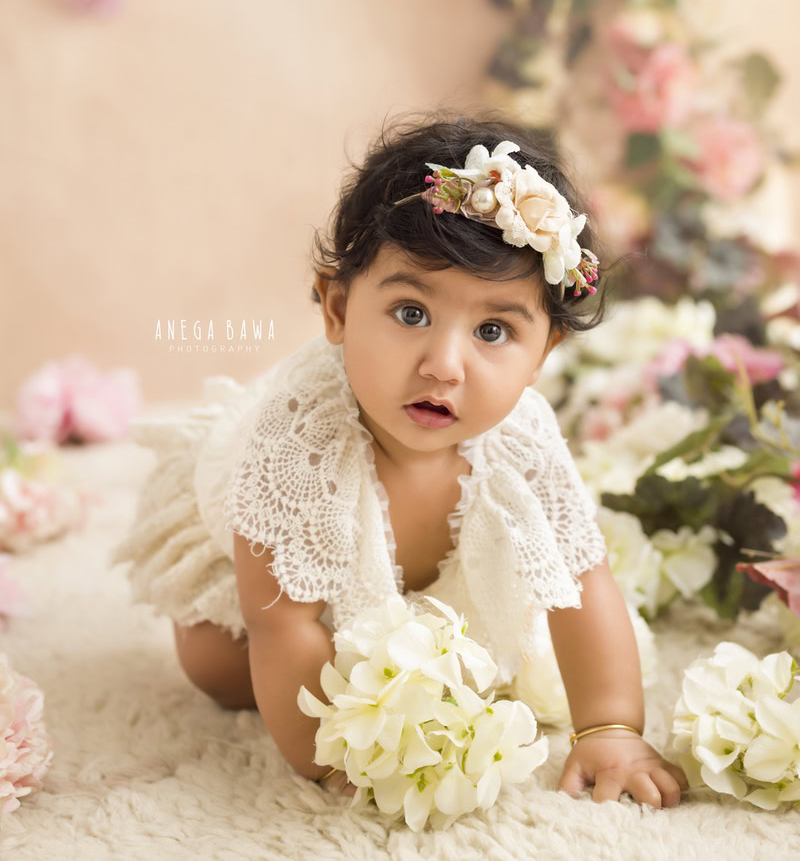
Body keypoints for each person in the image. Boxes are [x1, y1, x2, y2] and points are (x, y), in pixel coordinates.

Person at [110, 110, 688, 810]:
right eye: (411, 312)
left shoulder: (521, 436)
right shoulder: (298, 434)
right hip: (274, 580)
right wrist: (340, 756)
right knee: (221, 669)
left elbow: (583, 579)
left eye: (494, 329)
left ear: (545, 354)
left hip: (426, 575)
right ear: (338, 308)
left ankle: (411, 614)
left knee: (507, 661)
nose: (444, 364)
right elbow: (282, 623)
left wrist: (611, 727)